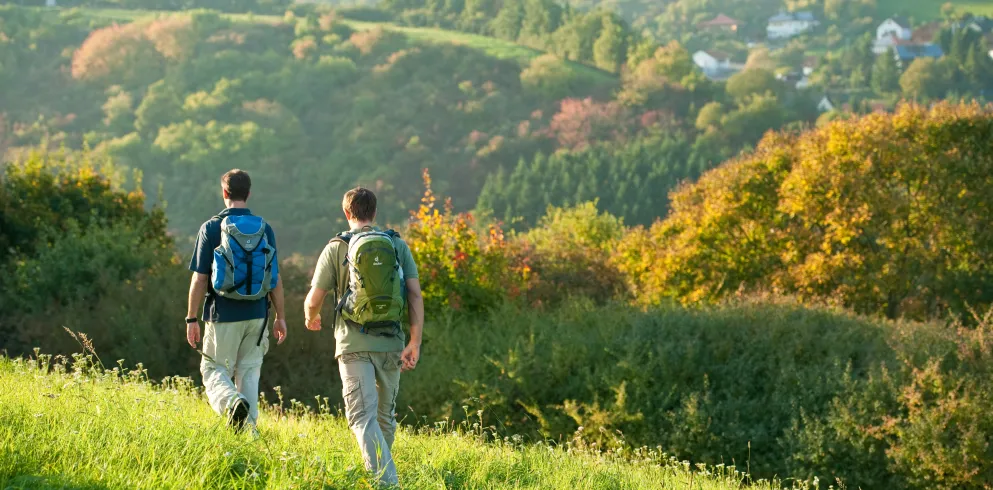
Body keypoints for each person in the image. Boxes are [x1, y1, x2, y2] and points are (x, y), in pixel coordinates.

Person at [304, 187, 423, 486]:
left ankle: (386, 482)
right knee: (384, 416)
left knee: (361, 417)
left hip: (353, 344)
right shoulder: (396, 245)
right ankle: (383, 475)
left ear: (347, 213)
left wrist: (311, 318)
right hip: (393, 343)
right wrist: (414, 341)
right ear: (375, 212)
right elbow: (414, 295)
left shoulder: (336, 247)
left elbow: (313, 299)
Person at [185, 169, 287, 431]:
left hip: (223, 313)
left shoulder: (211, 227)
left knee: (213, 369)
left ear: (224, 193)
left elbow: (199, 279)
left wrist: (192, 318)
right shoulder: (265, 228)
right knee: (249, 375)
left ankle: (231, 404)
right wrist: (281, 317)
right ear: (248, 194)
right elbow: (274, 278)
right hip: (258, 314)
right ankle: (248, 436)